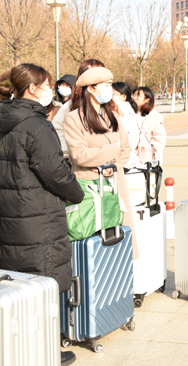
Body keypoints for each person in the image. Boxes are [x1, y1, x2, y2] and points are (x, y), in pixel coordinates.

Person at [0, 63, 84, 366]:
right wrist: (76, 193)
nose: (50, 91)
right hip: (38, 215)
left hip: (11, 214)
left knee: (21, 285)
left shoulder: (3, 122)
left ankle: (23, 349)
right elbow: (54, 171)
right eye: (46, 85)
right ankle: (45, 351)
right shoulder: (37, 126)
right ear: (32, 89)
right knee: (44, 283)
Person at [64, 67, 139, 259]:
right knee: (94, 244)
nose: (109, 90)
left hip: (114, 182)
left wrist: (113, 167)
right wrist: (111, 151)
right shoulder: (73, 118)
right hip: (89, 186)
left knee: (119, 239)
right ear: (90, 88)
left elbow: (126, 149)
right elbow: (79, 154)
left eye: (110, 85)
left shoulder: (112, 116)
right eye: (105, 86)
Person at [53, 60, 105, 158]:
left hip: (108, 160)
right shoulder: (70, 106)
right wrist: (70, 152)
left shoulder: (113, 105)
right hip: (80, 160)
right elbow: (57, 129)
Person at [132, 86, 167, 164]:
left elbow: (159, 139)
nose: (134, 97)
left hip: (147, 159)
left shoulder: (154, 117)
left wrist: (149, 152)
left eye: (138, 95)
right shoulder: (130, 113)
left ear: (147, 99)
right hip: (131, 157)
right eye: (134, 95)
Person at [112, 81, 142, 167]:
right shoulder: (117, 111)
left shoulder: (125, 114)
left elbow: (131, 140)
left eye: (113, 94)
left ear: (123, 97)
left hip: (124, 160)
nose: (110, 97)